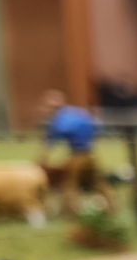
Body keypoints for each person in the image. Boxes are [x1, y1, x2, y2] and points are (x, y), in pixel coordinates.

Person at [37, 89, 113, 217]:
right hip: (91, 154)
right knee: (98, 182)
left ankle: (70, 212)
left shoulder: (59, 120)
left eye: (48, 107)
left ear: (53, 108)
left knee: (70, 184)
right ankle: (112, 207)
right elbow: (98, 126)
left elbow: (50, 143)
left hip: (77, 156)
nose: (46, 110)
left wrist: (40, 161)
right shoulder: (77, 112)